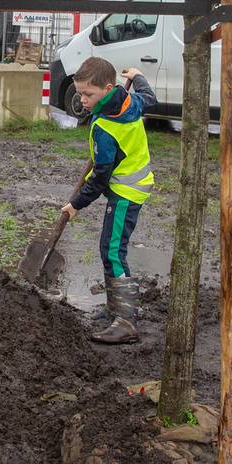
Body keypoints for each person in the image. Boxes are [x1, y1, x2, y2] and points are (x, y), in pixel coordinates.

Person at [60, 58, 156, 345]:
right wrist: (138, 76)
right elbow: (149, 96)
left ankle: (126, 321)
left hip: (127, 191)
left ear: (108, 88)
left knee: (113, 250)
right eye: (79, 93)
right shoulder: (131, 101)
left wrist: (76, 204)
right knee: (109, 248)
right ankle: (116, 309)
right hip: (131, 187)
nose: (82, 100)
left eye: (89, 94)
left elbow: (100, 177)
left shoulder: (104, 128)